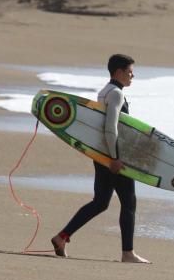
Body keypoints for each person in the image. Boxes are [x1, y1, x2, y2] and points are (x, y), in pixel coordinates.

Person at [50, 54, 149, 264]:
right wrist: (115, 158)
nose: (133, 75)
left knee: (100, 202)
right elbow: (110, 127)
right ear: (119, 72)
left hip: (100, 154)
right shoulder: (116, 94)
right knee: (129, 202)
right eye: (130, 71)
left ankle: (61, 237)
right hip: (113, 156)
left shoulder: (104, 91)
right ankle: (128, 253)